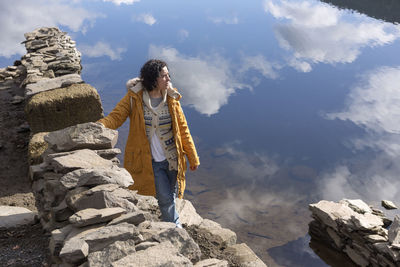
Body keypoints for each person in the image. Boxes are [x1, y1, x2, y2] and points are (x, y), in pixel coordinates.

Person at [98, 59, 200, 227]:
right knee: (165, 199)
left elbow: (183, 129)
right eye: (164, 76)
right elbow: (115, 117)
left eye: (168, 75)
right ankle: (176, 231)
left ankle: (167, 223)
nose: (168, 79)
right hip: (150, 161)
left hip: (173, 160)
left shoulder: (172, 98)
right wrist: (96, 127)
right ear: (153, 79)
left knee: (172, 196)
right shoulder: (134, 98)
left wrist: (192, 157)